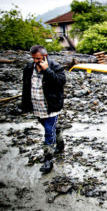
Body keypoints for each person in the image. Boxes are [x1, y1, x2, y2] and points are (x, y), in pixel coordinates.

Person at [22, 45, 66, 174]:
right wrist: (25, 104)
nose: (36, 61)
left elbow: (60, 82)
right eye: (34, 58)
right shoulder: (29, 68)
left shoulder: (55, 67)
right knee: (51, 128)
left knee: (48, 132)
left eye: (38, 58)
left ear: (45, 56)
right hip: (37, 106)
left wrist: (47, 70)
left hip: (51, 107)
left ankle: (48, 160)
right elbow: (25, 87)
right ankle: (60, 142)